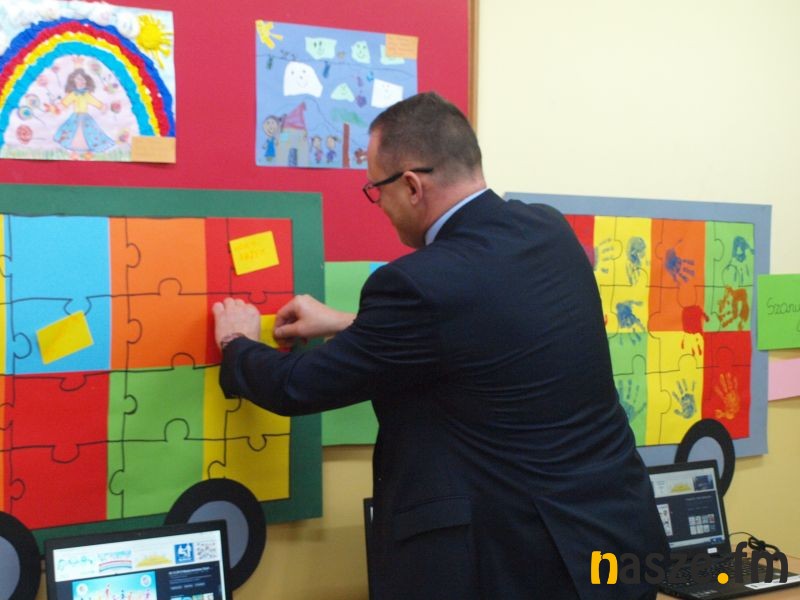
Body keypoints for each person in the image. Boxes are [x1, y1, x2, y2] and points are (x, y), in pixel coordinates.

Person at [213, 92, 668, 599]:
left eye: (375, 188)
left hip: (524, 566)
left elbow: (296, 386)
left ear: (411, 185)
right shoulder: (548, 229)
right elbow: (486, 334)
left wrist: (237, 341)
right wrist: (346, 323)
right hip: (617, 543)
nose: (378, 204)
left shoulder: (417, 284)